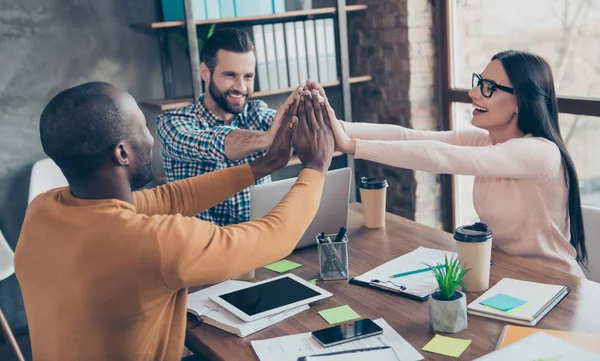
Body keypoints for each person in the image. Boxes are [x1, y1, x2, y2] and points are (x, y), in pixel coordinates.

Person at [15, 81, 334, 360]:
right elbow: (274, 237)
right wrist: (316, 167)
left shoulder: (43, 209)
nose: (151, 138)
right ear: (122, 154)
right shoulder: (150, 241)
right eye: (142, 127)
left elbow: (167, 199)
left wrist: (262, 166)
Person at [323, 51, 587, 278]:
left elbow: (440, 156)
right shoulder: (486, 142)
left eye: (488, 88)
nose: (473, 93)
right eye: (479, 82)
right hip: (507, 274)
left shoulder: (540, 153)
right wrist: (336, 128)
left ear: (520, 101)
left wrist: (351, 146)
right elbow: (411, 137)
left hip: (554, 285)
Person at [157, 28, 292, 225]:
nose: (241, 87)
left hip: (257, 244)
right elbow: (217, 143)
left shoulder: (257, 113)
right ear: (205, 72)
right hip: (201, 250)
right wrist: (268, 138)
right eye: (230, 75)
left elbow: (310, 131)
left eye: (248, 76)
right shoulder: (172, 123)